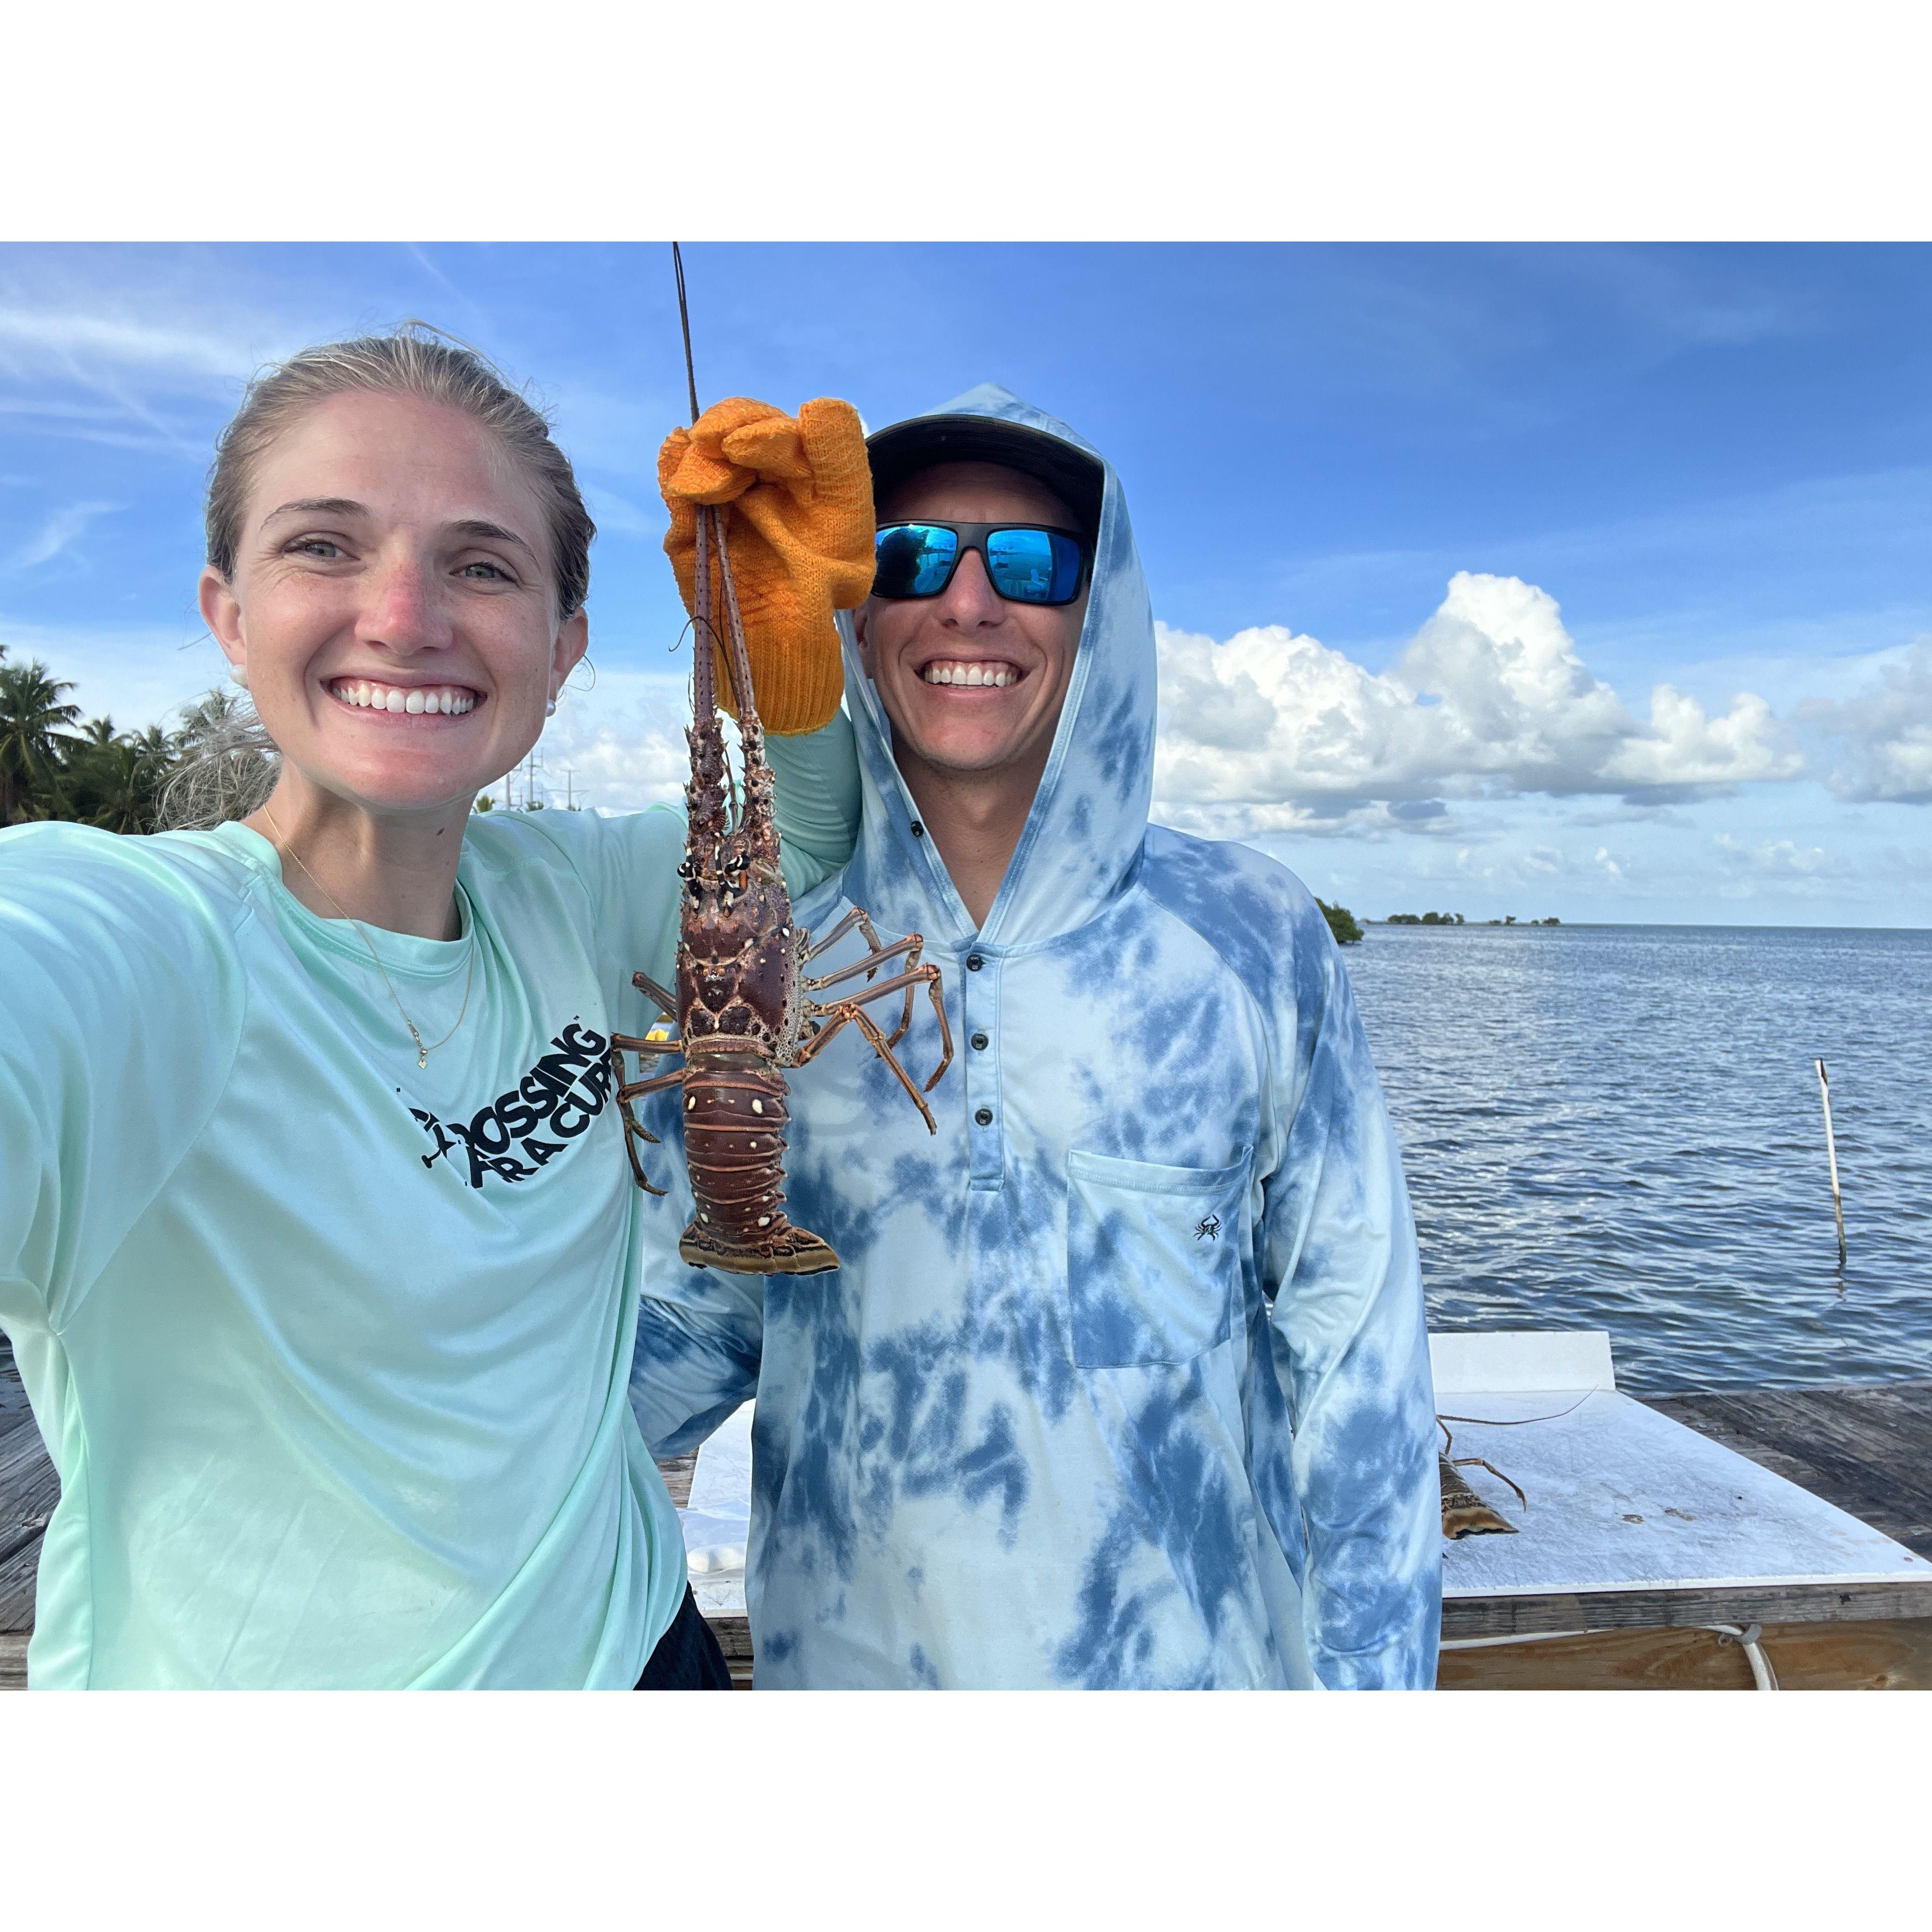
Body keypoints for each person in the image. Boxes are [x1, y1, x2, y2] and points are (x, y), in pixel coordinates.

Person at [0, 328, 861, 1688]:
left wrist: (785, 655)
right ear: (229, 616)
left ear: (563, 651)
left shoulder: (564, 890)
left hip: (648, 1636)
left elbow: (798, 847)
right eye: (323, 546)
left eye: (482, 564)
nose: (404, 616)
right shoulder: (135, 950)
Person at [627, 385, 1441, 1689]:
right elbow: (692, 1328)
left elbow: (1359, 1371)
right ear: (854, 610)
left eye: (1030, 563)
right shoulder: (770, 950)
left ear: (1101, 608)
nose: (967, 602)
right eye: (907, 557)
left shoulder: (1256, 932)